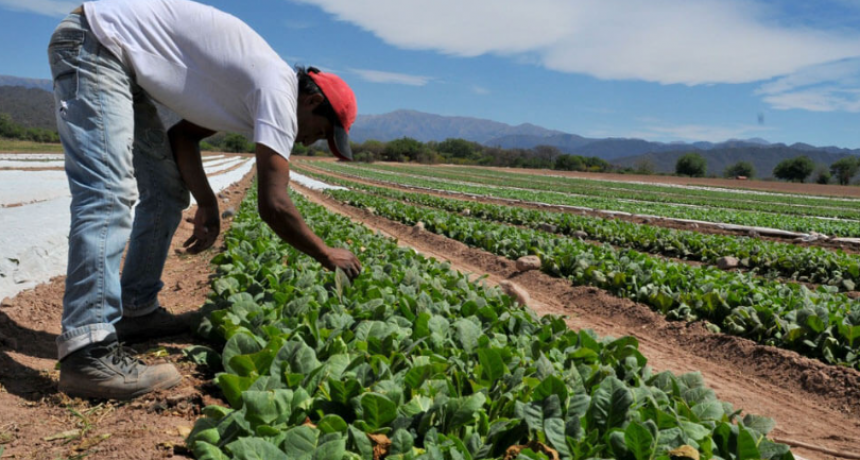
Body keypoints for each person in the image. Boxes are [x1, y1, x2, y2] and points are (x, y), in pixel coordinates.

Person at [48, 0, 362, 400]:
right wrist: (325, 254)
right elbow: (274, 204)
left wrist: (208, 203)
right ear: (314, 101)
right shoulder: (278, 91)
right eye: (320, 132)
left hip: (115, 55)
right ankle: (86, 352)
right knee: (108, 190)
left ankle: (136, 310)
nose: (310, 141)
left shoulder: (251, 89)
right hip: (95, 43)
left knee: (164, 190)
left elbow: (183, 136)